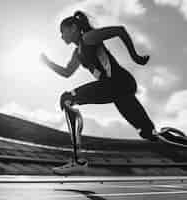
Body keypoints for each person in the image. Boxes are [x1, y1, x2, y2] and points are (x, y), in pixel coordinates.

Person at [40, 10, 158, 174]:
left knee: (67, 99)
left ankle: (77, 160)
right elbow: (67, 72)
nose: (61, 36)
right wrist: (48, 63)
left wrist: (135, 57)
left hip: (118, 82)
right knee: (148, 133)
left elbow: (120, 30)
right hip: (116, 90)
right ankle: (173, 139)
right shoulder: (77, 53)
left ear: (73, 28)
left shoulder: (88, 38)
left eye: (63, 31)